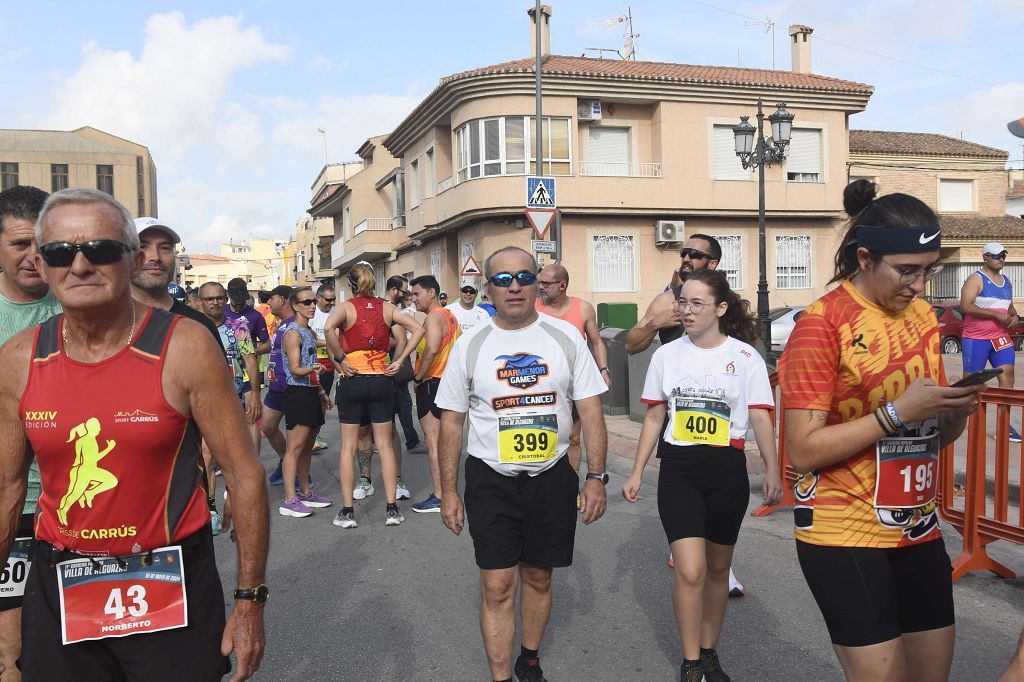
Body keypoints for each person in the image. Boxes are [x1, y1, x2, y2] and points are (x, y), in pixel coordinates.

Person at [0, 188, 268, 680]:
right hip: (61, 580)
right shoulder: (19, 358)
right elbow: (7, 488)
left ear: (130, 257)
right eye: (61, 252)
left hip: (168, 580)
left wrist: (250, 601)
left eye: (99, 249)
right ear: (42, 261)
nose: (79, 265)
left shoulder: (185, 346)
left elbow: (244, 473)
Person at [780, 180, 984, 681]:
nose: (918, 285)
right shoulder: (821, 324)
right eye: (907, 271)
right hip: (842, 530)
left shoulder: (922, 317)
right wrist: (897, 412)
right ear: (865, 258)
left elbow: (930, 438)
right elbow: (802, 451)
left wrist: (952, 411)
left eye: (928, 271)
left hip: (915, 525)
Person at [436, 246, 609, 682]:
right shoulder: (469, 345)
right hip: (490, 479)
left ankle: (529, 659)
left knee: (538, 577)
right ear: (488, 288)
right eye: (503, 279)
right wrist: (449, 492)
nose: (514, 287)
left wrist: (595, 478)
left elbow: (590, 412)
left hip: (551, 476)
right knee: (496, 585)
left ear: (537, 283)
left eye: (524, 277)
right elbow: (451, 423)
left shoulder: (565, 338)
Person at [623, 268, 783, 682]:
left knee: (716, 570)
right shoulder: (667, 354)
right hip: (680, 470)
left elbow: (763, 419)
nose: (686, 311)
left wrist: (773, 470)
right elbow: (656, 414)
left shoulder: (745, 357)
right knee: (691, 569)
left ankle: (710, 651)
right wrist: (637, 470)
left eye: (696, 303)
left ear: (721, 308)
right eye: (682, 302)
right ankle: (691, 660)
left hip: (726, 472)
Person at [130, 216, 227, 534]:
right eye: (142, 246)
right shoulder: (102, 321)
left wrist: (236, 490)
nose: (154, 255)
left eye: (165, 247)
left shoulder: (199, 326)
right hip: (118, 494)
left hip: (184, 496)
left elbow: (222, 417)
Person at [0, 184, 60, 682]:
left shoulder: (86, 303)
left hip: (80, 506)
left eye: (43, 242)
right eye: (21, 244)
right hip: (12, 506)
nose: (34, 256)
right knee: (13, 651)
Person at [324, 264, 423, 527]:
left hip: (353, 379)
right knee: (386, 445)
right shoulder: (387, 307)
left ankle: (347, 512)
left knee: (348, 446)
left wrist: (340, 358)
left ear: (351, 284)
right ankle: (392, 509)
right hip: (381, 379)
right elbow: (418, 330)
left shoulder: (345, 308)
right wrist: (399, 360)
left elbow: (327, 330)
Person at [536, 263, 611, 471]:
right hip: (543, 383)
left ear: (562, 285)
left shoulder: (583, 308)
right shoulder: (533, 309)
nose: (540, 287)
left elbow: (596, 341)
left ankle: (571, 487)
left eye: (546, 283)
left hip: (574, 383)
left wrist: (603, 370)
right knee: (548, 434)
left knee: (573, 438)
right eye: (539, 282)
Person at [277, 287, 333, 518]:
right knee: (295, 449)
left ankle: (305, 491)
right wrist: (313, 368)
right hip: (297, 393)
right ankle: (289, 499)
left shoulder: (306, 330)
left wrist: (321, 391)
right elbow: (295, 369)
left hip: (310, 392)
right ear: (295, 305)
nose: (312, 305)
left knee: (308, 446)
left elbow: (315, 356)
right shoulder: (292, 334)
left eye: (313, 301)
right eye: (307, 302)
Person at [409, 275, 461, 513]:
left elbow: (430, 349)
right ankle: (448, 492)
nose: (413, 298)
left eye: (417, 293)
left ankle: (440, 495)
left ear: (431, 293)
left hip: (432, 383)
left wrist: (418, 377)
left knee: (433, 442)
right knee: (447, 441)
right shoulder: (451, 316)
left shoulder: (434, 317)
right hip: (450, 383)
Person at [960, 241, 1021, 442]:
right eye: (996, 256)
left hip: (1000, 338)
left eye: (1003, 255)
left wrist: (1014, 316)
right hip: (976, 338)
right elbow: (966, 307)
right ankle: (967, 421)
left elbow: (1009, 308)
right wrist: (994, 315)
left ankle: (1004, 426)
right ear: (985, 257)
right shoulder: (976, 279)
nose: (1001, 259)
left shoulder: (1007, 282)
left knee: (1007, 376)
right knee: (971, 384)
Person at [626, 234, 722, 354]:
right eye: (683, 253)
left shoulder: (726, 300)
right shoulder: (667, 301)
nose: (686, 259)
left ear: (712, 263)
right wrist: (655, 324)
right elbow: (630, 346)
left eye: (694, 254)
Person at [225, 277, 269, 448]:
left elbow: (267, 344)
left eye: (243, 299)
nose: (240, 303)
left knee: (251, 417)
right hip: (225, 373)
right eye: (236, 299)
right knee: (229, 420)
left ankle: (254, 463)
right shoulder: (220, 312)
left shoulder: (255, 316)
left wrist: (249, 352)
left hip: (247, 374)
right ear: (228, 295)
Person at [385, 275, 425, 454]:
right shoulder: (389, 309)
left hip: (394, 367)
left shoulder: (390, 308)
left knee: (402, 404)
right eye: (404, 291)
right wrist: (398, 353)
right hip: (390, 366)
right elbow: (383, 340)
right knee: (400, 405)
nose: (406, 295)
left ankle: (409, 440)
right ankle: (409, 441)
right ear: (394, 290)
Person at [261, 286, 295, 486]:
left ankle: (299, 475)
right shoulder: (281, 324)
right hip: (275, 388)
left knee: (297, 439)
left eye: (271, 298)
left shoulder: (295, 324)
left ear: (282, 300)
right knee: (267, 427)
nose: (268, 303)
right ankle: (285, 461)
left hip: (290, 388)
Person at [309, 284, 337, 453]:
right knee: (311, 401)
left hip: (329, 365)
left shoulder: (335, 314)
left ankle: (315, 436)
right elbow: (308, 338)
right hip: (313, 364)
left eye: (334, 299)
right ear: (318, 297)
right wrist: (329, 341)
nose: (332, 303)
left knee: (323, 402)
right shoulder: (311, 313)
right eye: (328, 300)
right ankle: (308, 436)